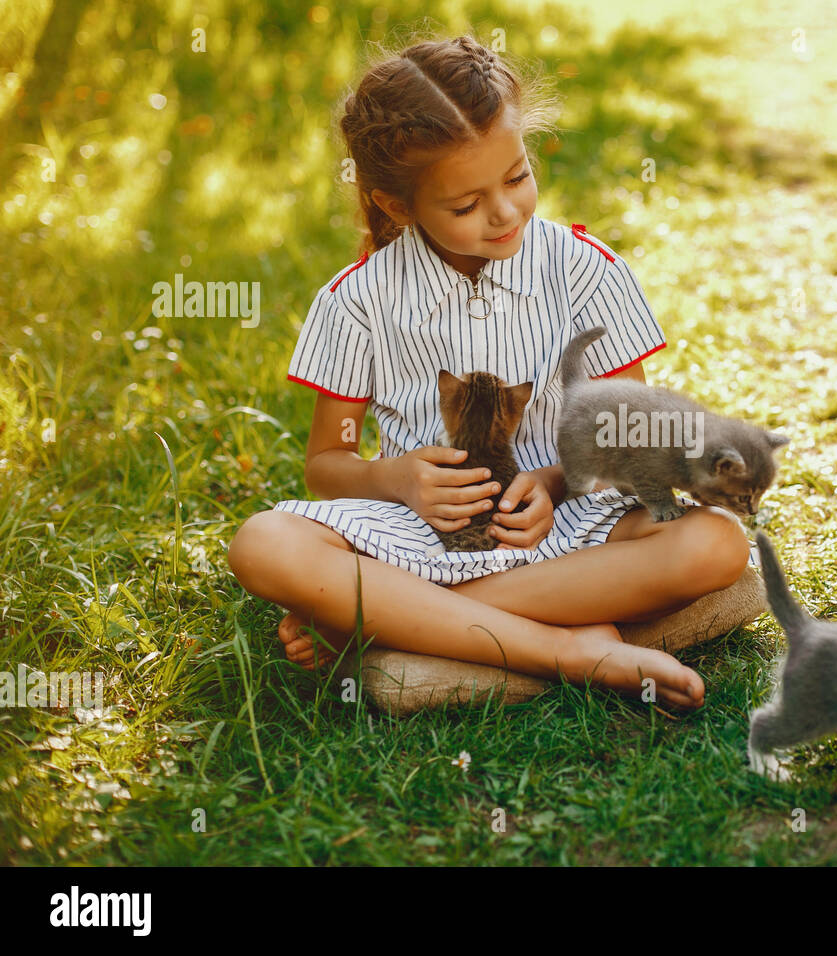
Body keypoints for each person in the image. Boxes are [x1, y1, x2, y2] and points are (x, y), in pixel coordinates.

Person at [226, 34, 756, 710]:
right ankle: (572, 648)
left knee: (715, 546)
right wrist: (394, 478)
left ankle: (393, 621)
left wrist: (556, 481)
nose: (505, 213)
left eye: (517, 176)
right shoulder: (356, 300)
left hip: (576, 526)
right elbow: (328, 463)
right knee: (264, 542)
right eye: (466, 205)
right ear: (396, 205)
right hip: (421, 534)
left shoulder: (585, 269)